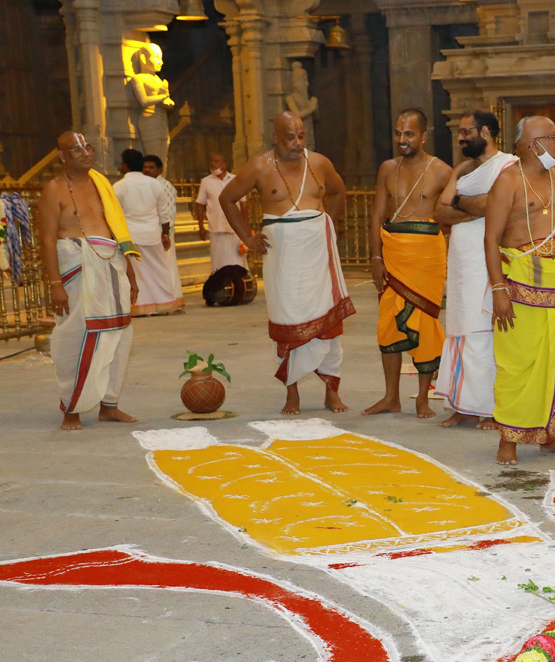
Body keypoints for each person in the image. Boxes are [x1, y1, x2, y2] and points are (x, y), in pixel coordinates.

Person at [218, 111, 353, 415]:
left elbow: (338, 190)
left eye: (302, 136)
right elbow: (227, 199)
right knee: (286, 322)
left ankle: (332, 391)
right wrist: (248, 237)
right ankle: (291, 393)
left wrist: (328, 223)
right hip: (283, 259)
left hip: (318, 254)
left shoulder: (319, 162)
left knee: (330, 324)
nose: (297, 143)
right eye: (290, 137)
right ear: (276, 137)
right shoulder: (259, 166)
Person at [484, 116, 555, 466]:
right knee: (517, 362)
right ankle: (509, 438)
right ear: (534, 144)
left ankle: (551, 435)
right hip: (519, 283)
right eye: (554, 138)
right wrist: (498, 289)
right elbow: (490, 239)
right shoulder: (507, 182)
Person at [37, 131, 140, 431]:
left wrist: (130, 271)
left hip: (111, 262)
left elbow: (115, 228)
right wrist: (55, 285)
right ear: (62, 155)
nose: (85, 153)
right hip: (76, 263)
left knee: (120, 334)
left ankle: (109, 405)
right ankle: (72, 408)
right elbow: (46, 241)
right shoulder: (53, 190)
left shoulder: (102, 184)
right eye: (77, 149)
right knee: (78, 335)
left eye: (88, 147)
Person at [363, 109, 453, 418]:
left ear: (424, 136)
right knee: (388, 323)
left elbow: (454, 214)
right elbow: (376, 216)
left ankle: (423, 399)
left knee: (425, 321)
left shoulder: (443, 171)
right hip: (393, 252)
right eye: (398, 133)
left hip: (427, 256)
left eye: (409, 133)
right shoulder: (387, 169)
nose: (402, 139)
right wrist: (375, 257)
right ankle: (391, 397)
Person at [432, 109, 517, 428]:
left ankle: (493, 408)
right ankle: (464, 405)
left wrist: (459, 203)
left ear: (485, 131)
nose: (460, 137)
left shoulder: (507, 165)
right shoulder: (465, 169)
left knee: (484, 333)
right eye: (459, 132)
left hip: (488, 260)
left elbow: (496, 205)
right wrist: (466, 202)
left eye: (466, 131)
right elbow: (440, 210)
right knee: (460, 329)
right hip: (460, 262)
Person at [114, 147, 179, 316]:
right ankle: (165, 303)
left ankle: (141, 307)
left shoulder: (119, 186)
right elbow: (164, 213)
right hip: (152, 232)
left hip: (130, 235)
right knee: (159, 269)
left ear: (126, 166)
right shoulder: (154, 184)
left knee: (137, 273)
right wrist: (165, 234)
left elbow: (115, 213)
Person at [193, 153, 250, 306]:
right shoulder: (206, 182)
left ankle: (240, 292)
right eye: (211, 161)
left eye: (216, 161)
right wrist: (200, 226)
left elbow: (243, 203)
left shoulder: (235, 179)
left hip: (235, 228)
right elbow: (200, 204)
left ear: (224, 164)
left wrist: (245, 226)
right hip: (216, 227)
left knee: (237, 261)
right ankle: (219, 292)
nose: (213, 163)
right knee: (218, 262)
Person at [141, 154, 185, 310]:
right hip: (152, 234)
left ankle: (173, 300)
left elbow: (168, 213)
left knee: (168, 266)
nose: (147, 170)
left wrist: (163, 234)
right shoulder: (148, 185)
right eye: (145, 167)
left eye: (151, 167)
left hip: (163, 234)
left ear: (159, 169)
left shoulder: (164, 185)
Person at [129, 43, 173, 168]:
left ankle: (162, 184)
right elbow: (143, 101)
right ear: (143, 58)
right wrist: (162, 97)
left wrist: (168, 102)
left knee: (163, 159)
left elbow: (164, 101)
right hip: (149, 121)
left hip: (162, 121)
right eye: (157, 57)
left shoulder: (158, 80)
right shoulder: (139, 79)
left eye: (161, 58)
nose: (161, 62)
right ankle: (153, 184)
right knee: (153, 158)